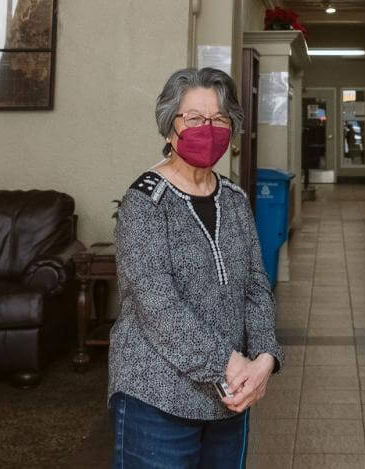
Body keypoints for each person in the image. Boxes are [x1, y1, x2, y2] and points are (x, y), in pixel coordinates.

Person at [108, 67, 283, 468]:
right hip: (157, 400)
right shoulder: (145, 202)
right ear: (170, 128)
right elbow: (157, 303)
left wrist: (263, 360)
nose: (209, 128)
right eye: (195, 118)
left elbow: (256, 285)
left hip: (230, 399)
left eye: (220, 119)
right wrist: (229, 363)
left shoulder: (235, 200)